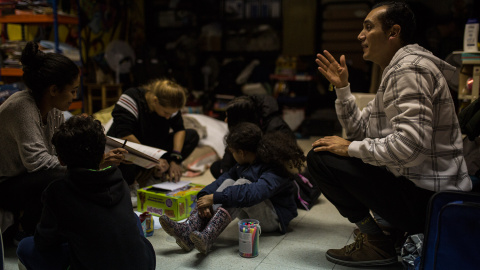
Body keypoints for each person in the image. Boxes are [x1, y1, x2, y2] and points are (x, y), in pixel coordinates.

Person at [307, 1, 472, 267]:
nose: (360, 35)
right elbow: (360, 131)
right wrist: (342, 89)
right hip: (422, 190)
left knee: (320, 159)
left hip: (430, 201)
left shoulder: (409, 70)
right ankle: (386, 232)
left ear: (393, 32)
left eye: (368, 27)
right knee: (330, 151)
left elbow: (409, 147)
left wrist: (349, 149)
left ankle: (377, 242)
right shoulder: (397, 70)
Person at [0, 41, 126, 241]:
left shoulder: (55, 110)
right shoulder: (21, 108)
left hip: (29, 178)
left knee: (74, 173)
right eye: (73, 90)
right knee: (61, 176)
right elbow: (39, 163)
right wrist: (96, 161)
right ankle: (27, 229)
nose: (75, 96)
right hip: (7, 184)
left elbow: (62, 151)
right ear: (53, 90)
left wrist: (95, 156)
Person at [16, 115, 156, 270]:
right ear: (103, 155)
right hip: (144, 264)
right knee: (133, 221)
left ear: (61, 160)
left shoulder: (58, 191)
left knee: (25, 246)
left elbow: (44, 240)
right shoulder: (120, 181)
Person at [159, 122, 305, 254]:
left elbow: (253, 194)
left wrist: (215, 198)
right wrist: (204, 196)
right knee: (229, 182)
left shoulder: (273, 167)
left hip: (274, 218)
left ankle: (208, 236)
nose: (232, 155)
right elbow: (223, 180)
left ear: (241, 152)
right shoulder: (244, 163)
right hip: (254, 210)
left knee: (241, 186)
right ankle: (188, 229)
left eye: (233, 152)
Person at [107, 79, 199, 184]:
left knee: (192, 136)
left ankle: (156, 170)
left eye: (172, 113)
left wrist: (175, 159)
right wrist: (151, 159)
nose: (168, 117)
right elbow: (124, 134)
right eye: (166, 113)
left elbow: (179, 129)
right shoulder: (131, 98)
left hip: (151, 147)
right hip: (129, 145)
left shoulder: (170, 106)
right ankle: (147, 171)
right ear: (155, 100)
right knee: (126, 168)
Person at [210, 95, 295, 178]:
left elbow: (276, 162)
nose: (225, 120)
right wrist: (224, 175)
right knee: (218, 167)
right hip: (251, 162)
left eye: (228, 117)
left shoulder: (275, 127)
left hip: (270, 168)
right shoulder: (249, 122)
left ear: (239, 117)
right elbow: (231, 149)